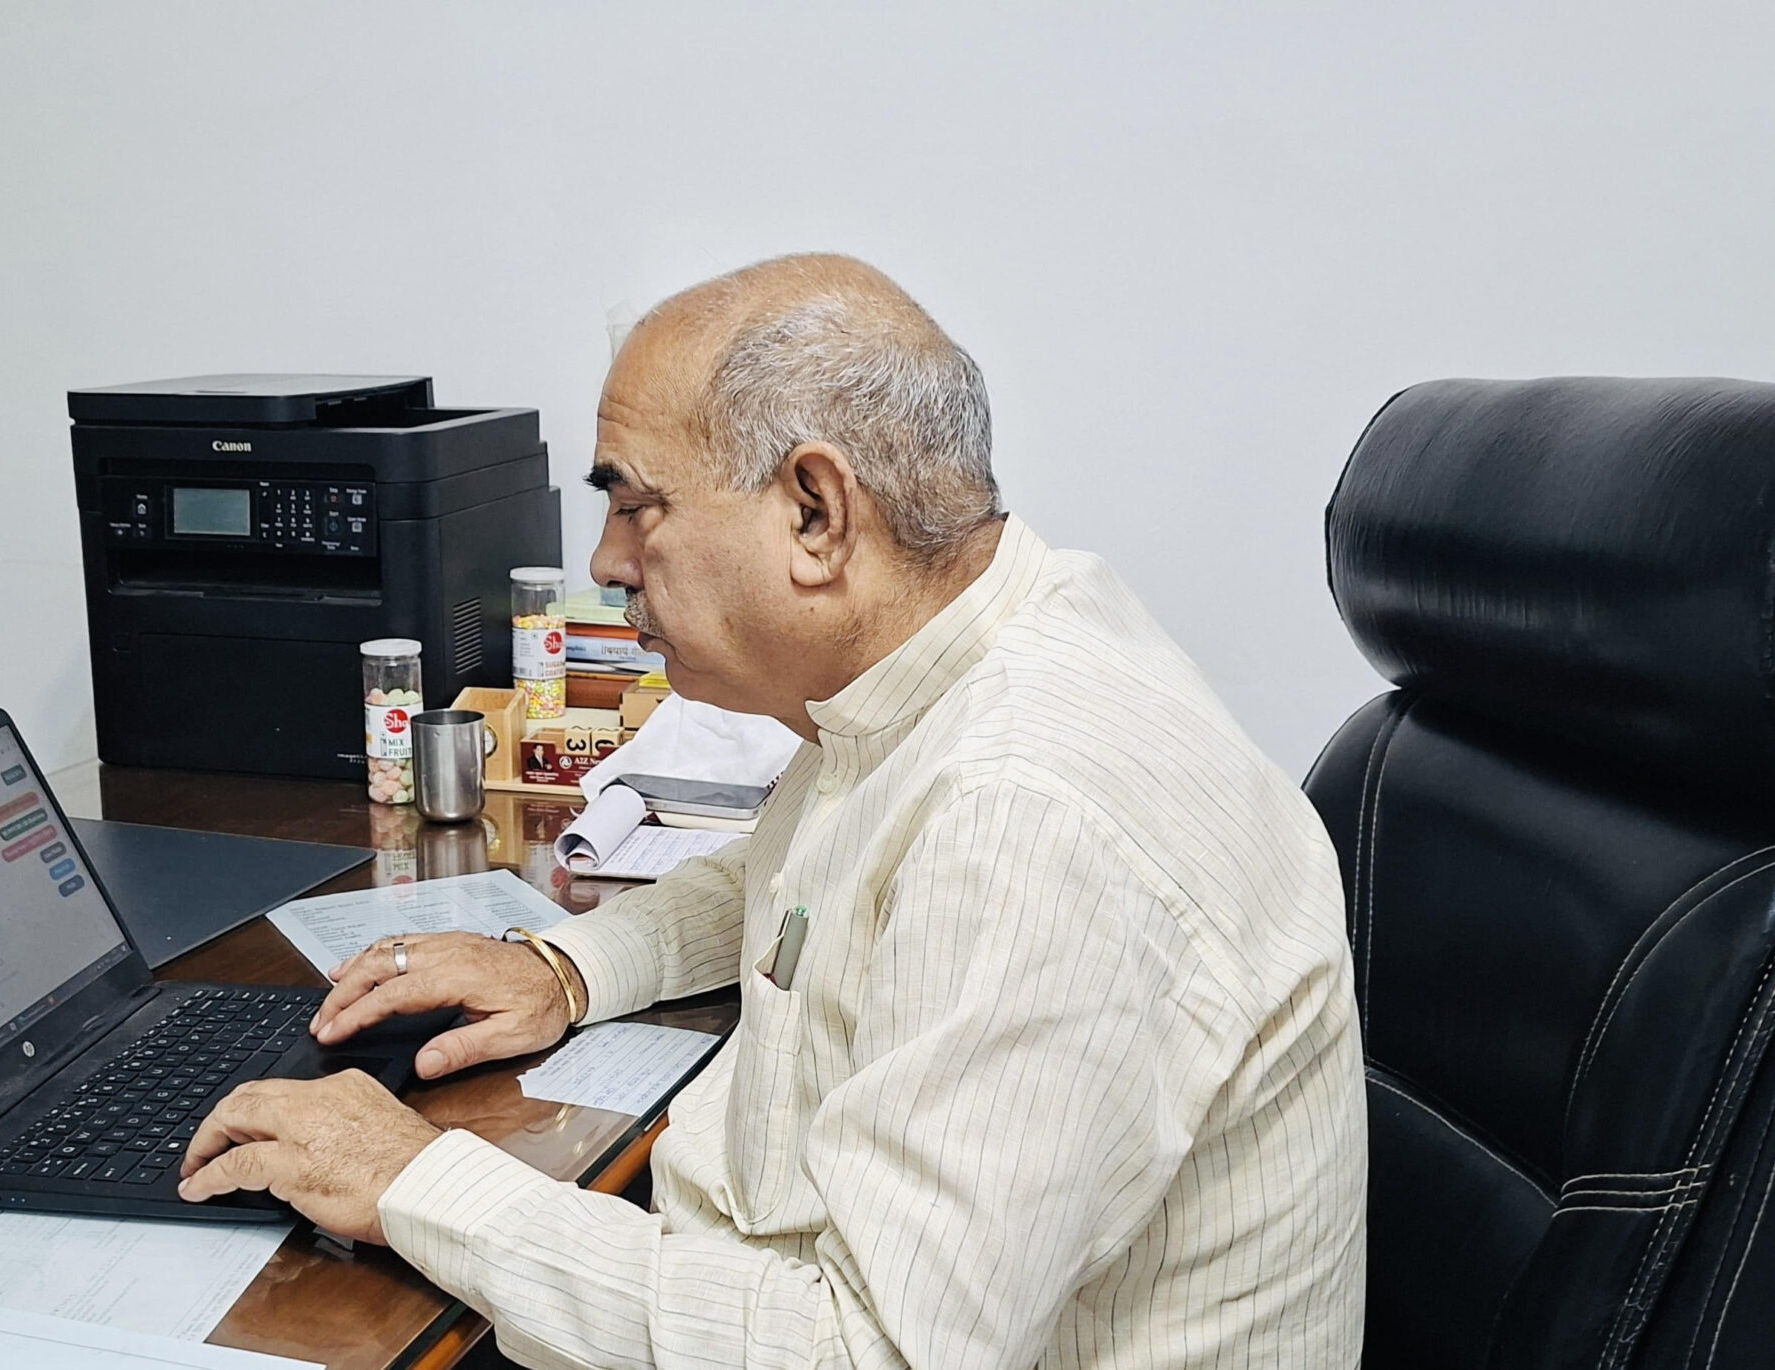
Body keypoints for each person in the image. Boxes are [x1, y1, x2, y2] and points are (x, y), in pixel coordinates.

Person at [178, 254, 1366, 1368]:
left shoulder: (1029, 812)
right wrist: (567, 966)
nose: (607, 560)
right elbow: (812, 875)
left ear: (814, 511)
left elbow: (868, 1349)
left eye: (636, 505)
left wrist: (417, 1178)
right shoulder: (963, 657)